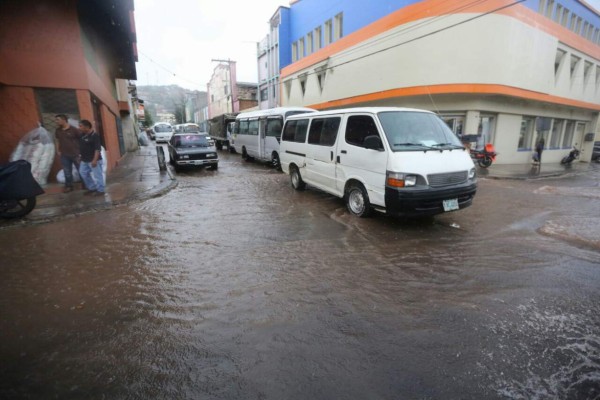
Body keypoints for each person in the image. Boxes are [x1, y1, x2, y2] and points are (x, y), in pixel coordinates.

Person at [54, 114, 82, 193]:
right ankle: (69, 186)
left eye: (58, 120)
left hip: (75, 154)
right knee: (67, 171)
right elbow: (57, 140)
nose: (56, 122)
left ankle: (85, 184)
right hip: (64, 154)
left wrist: (81, 151)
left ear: (64, 120)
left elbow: (81, 139)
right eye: (56, 120)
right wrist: (58, 150)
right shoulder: (58, 130)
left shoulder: (74, 130)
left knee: (80, 170)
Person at [78, 120, 105, 196]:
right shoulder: (82, 135)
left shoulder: (95, 136)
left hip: (94, 160)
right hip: (84, 160)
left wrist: (94, 160)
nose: (79, 128)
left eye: (81, 126)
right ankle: (92, 188)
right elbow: (82, 147)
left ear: (87, 127)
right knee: (83, 173)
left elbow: (97, 149)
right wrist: (80, 156)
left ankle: (101, 190)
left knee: (97, 175)